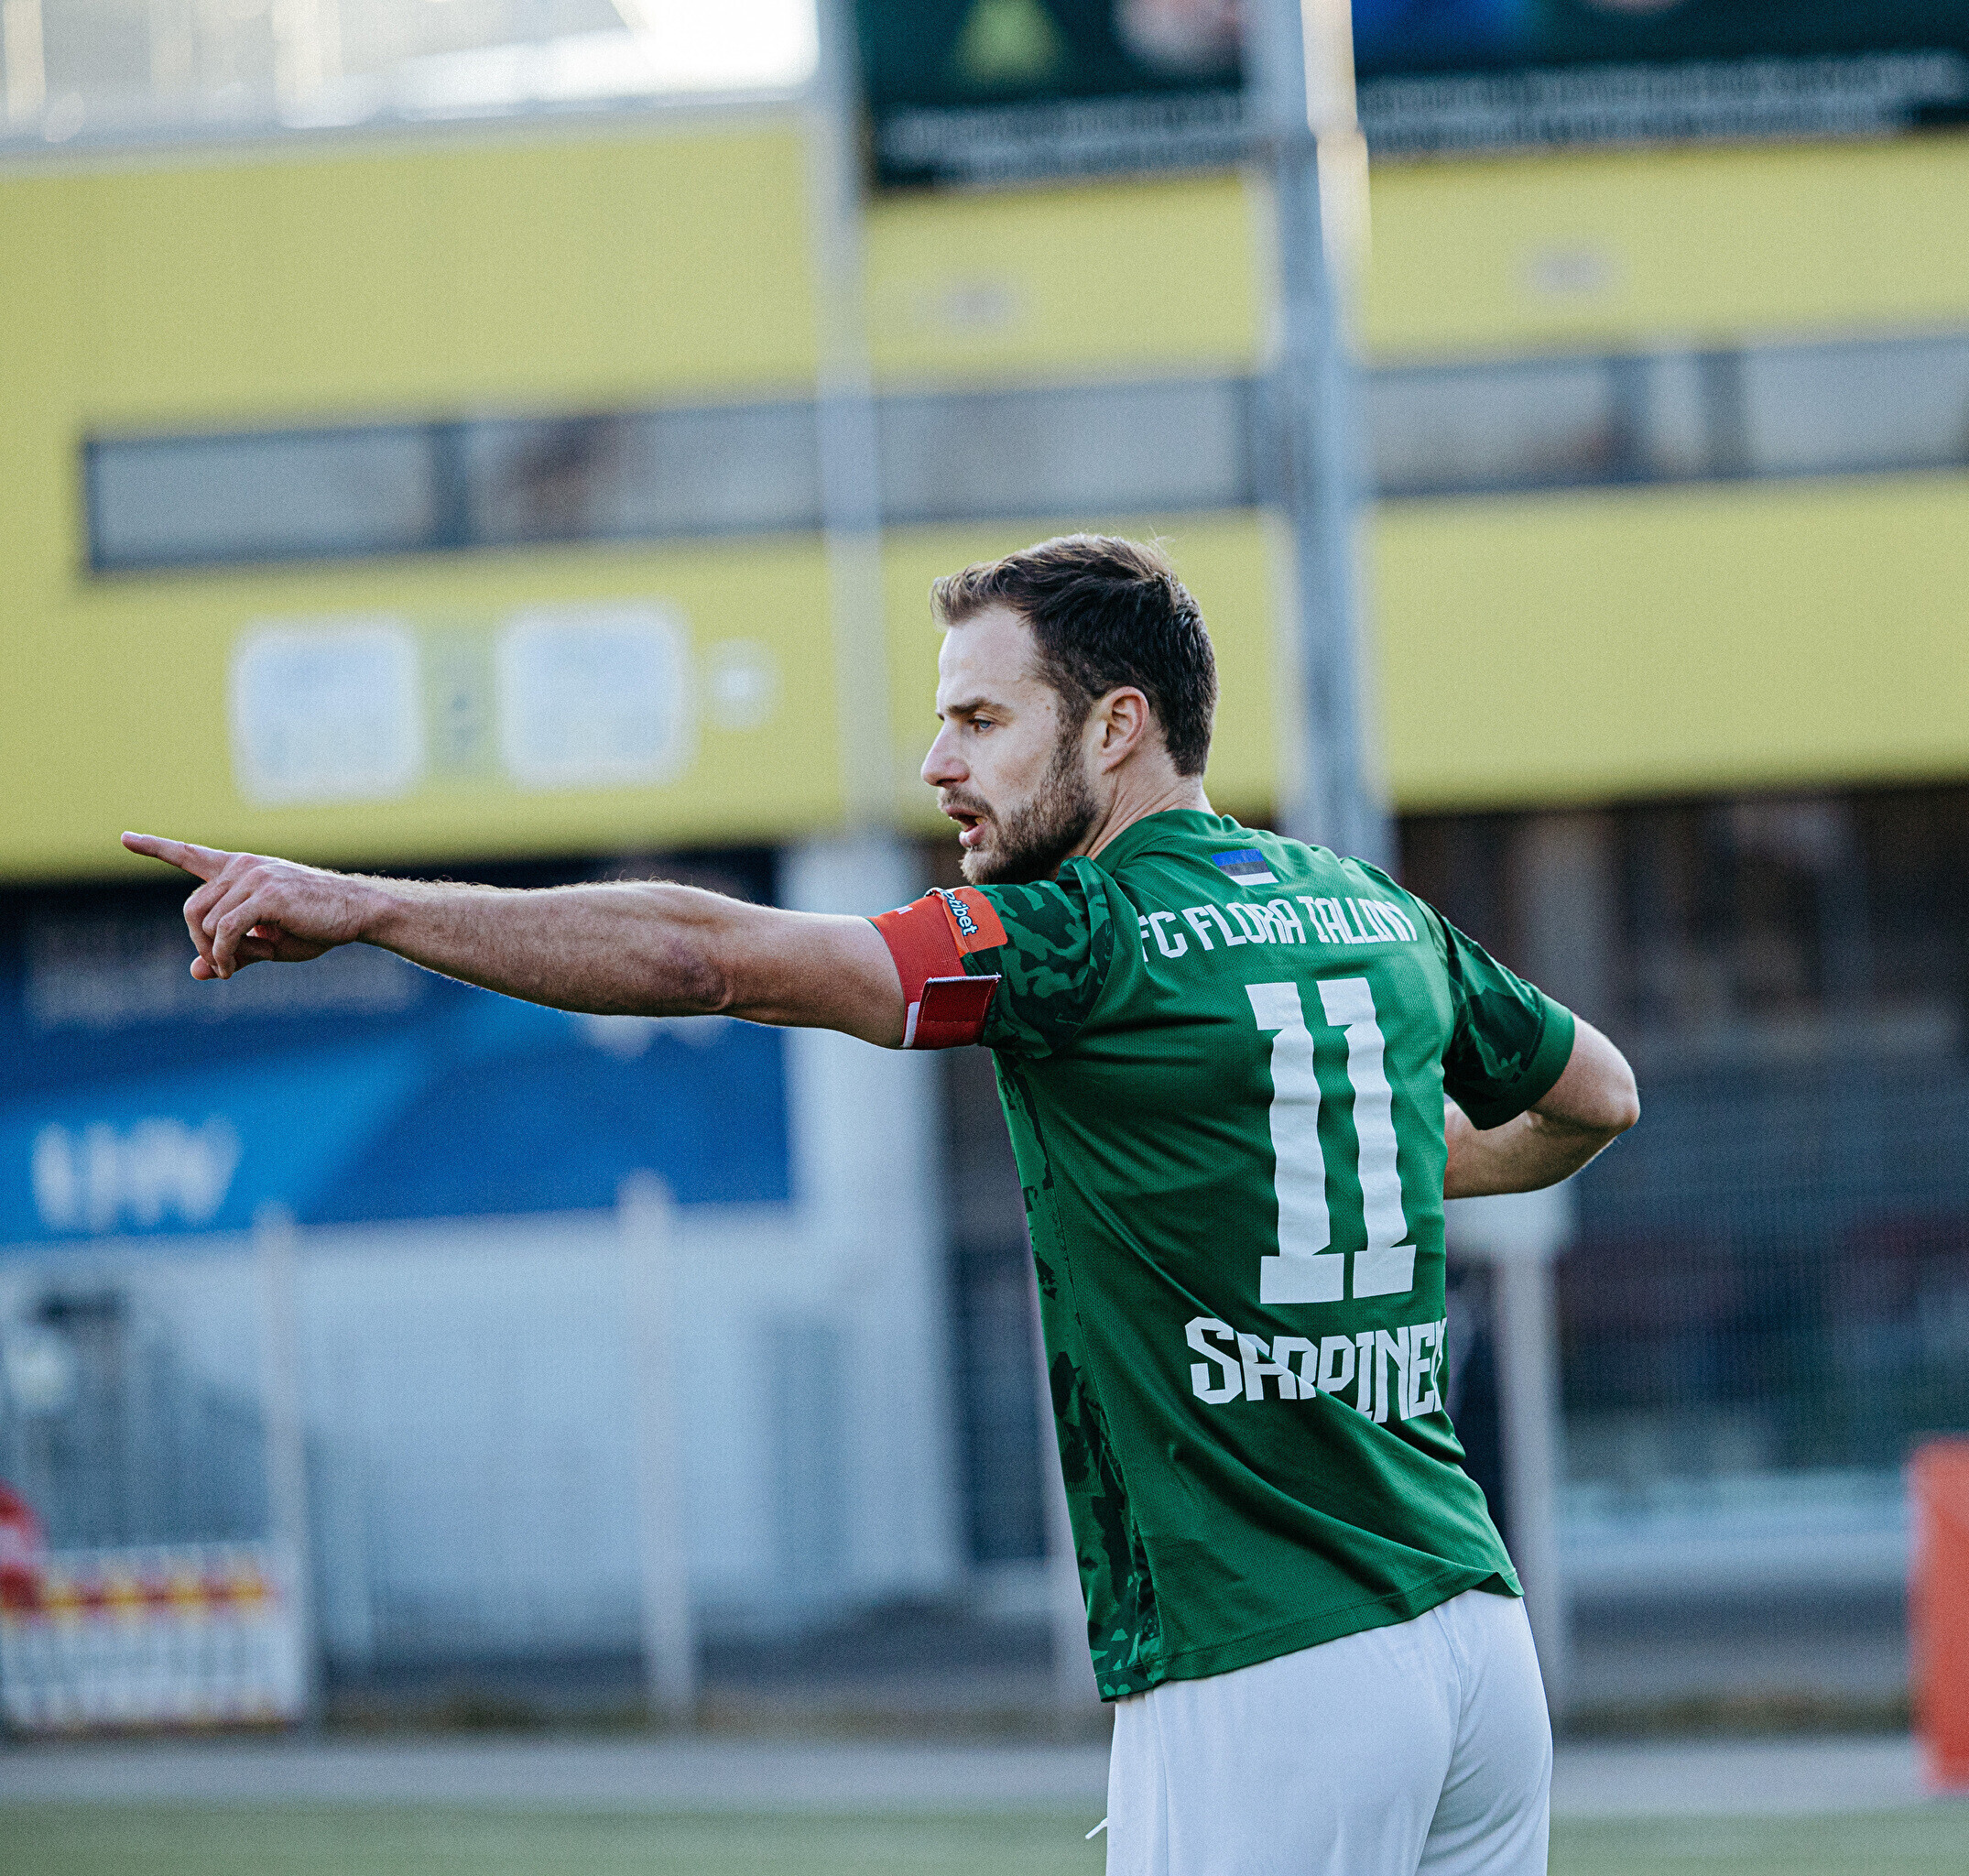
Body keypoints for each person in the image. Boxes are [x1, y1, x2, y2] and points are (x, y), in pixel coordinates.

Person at [121, 533, 1638, 1875]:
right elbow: (1597, 1095)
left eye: (980, 720)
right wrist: (1372, 1162)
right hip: (1477, 1644)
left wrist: (372, 906)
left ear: (1116, 727)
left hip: (1272, 1663)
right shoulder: (1370, 908)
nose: (937, 763)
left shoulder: (1078, 937)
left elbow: (707, 960)